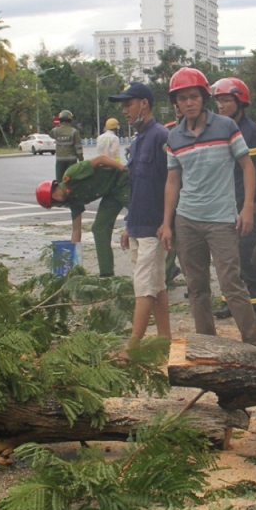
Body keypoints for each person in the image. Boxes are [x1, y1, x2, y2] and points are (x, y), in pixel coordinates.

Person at [160, 68, 256, 348]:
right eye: (182, 99)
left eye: (193, 96)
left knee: (232, 284)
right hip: (187, 221)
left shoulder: (226, 127)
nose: (188, 103)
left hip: (221, 221)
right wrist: (167, 223)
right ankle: (209, 346)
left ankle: (254, 345)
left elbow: (247, 167)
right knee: (197, 288)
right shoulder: (173, 138)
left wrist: (246, 209)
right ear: (176, 104)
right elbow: (172, 182)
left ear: (204, 98)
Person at [108, 81, 170, 348]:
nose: (124, 111)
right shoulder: (136, 142)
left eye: (128, 104)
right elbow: (136, 187)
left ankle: (132, 347)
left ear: (144, 103)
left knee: (143, 286)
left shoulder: (161, 136)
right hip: (138, 224)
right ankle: (165, 339)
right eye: (123, 106)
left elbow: (172, 183)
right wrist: (127, 225)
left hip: (155, 228)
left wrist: (168, 223)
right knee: (156, 284)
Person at [210, 77, 256, 320]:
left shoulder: (252, 133)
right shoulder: (222, 130)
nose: (221, 106)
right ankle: (232, 302)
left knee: (249, 253)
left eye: (226, 100)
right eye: (219, 101)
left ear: (239, 102)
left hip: (246, 204)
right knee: (228, 255)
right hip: (225, 204)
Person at [35, 154, 129, 278]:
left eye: (55, 205)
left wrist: (125, 170)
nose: (59, 206)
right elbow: (76, 230)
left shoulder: (72, 174)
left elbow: (101, 159)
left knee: (142, 218)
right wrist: (72, 261)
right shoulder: (73, 200)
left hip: (123, 182)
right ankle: (106, 274)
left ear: (54, 198)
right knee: (99, 228)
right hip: (111, 193)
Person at [51, 110, 83, 181]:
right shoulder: (74, 132)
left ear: (60, 119)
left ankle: (60, 191)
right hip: (71, 160)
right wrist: (81, 159)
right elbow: (78, 148)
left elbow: (50, 135)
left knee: (60, 180)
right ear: (70, 120)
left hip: (60, 160)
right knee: (71, 179)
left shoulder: (55, 131)